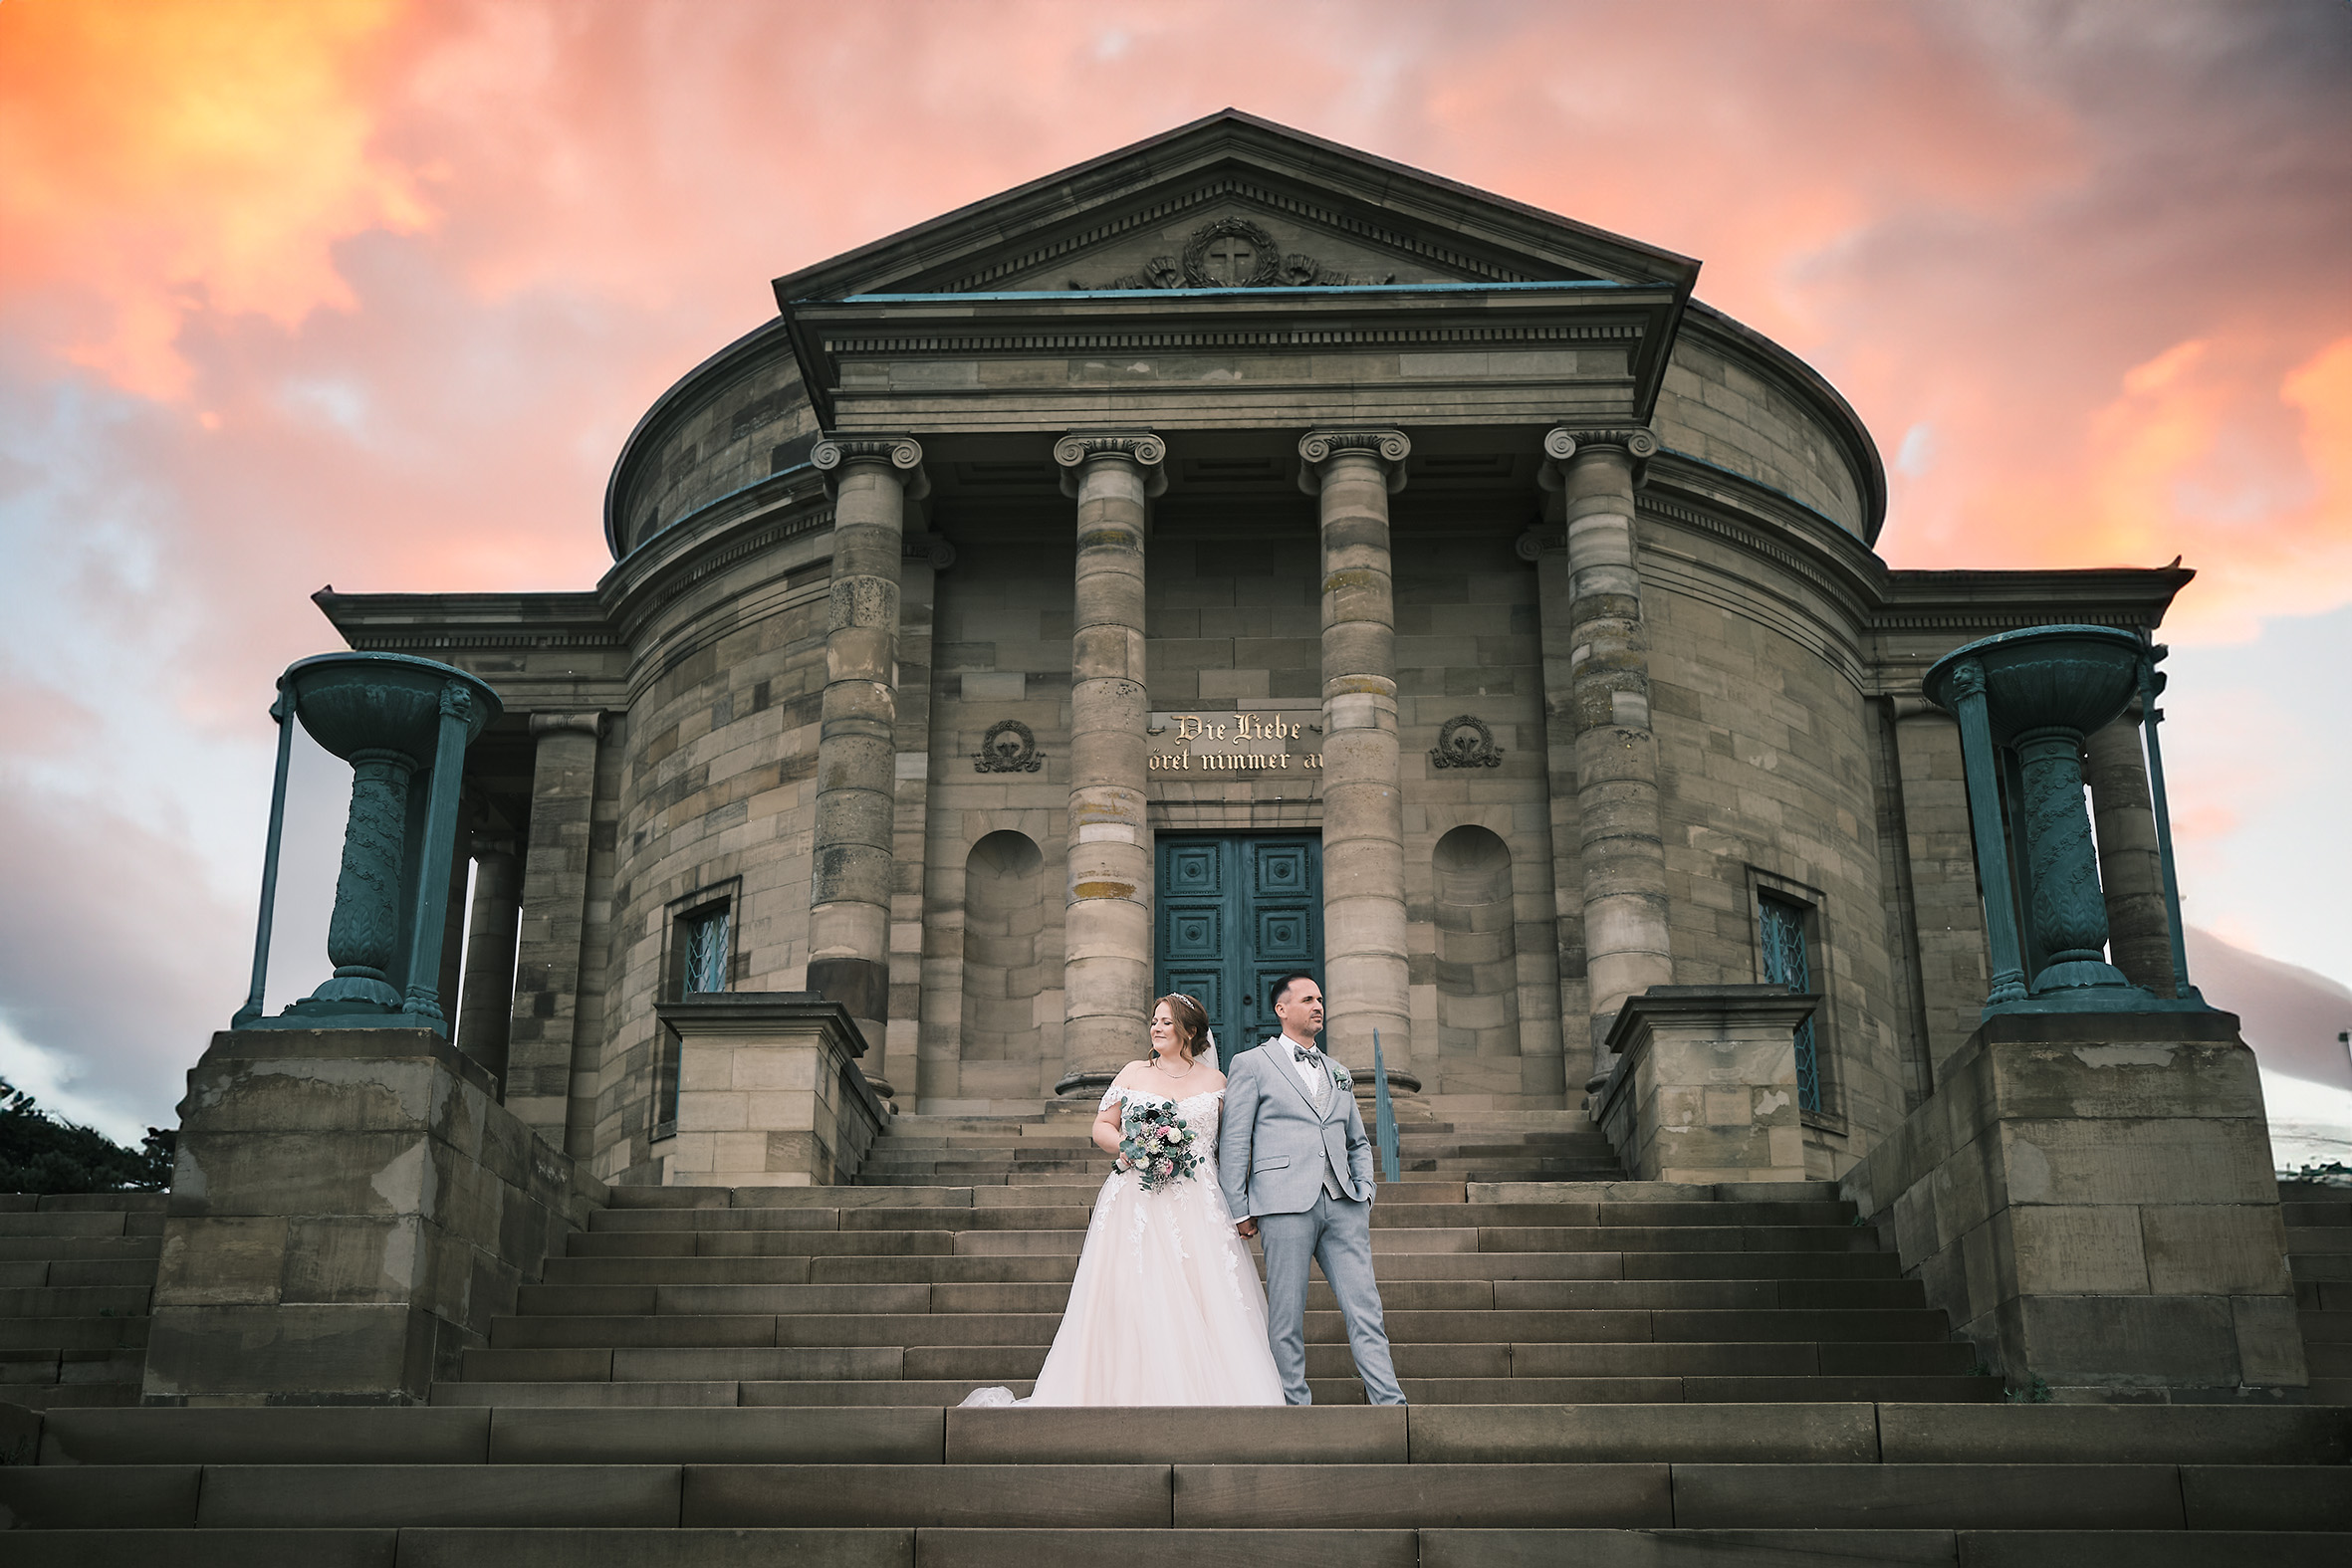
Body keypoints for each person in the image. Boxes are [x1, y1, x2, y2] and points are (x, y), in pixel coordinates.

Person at [959, 994, 1285, 1407]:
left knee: (1204, 1293)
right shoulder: (1133, 1072)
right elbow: (1102, 1125)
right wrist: (1128, 1149)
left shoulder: (1217, 1084)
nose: (1156, 1028)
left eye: (1166, 1022)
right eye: (1153, 1021)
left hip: (1198, 1201)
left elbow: (1233, 1145)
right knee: (1136, 1289)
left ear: (1190, 1030)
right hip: (1137, 1198)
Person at [1217, 972, 1406, 1406]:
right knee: (1285, 1315)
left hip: (1343, 1202)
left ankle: (1390, 1404)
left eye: (1320, 998)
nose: (1318, 1005)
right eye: (1307, 999)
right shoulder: (1252, 1064)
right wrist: (1239, 1208)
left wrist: (1365, 1192)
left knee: (1366, 1310)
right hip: (1283, 1202)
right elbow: (1234, 1141)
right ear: (1282, 1009)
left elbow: (1357, 1140)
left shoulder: (1339, 1072)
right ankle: (1294, 1406)